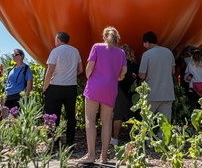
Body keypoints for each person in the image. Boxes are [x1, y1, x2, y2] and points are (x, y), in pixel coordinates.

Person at [79, 26, 127, 164]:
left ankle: (91, 155)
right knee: (107, 122)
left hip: (94, 87)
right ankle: (104, 157)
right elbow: (123, 71)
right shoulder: (121, 52)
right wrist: (117, 78)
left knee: (90, 119)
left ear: (104, 37)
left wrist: (90, 77)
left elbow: (89, 69)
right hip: (111, 88)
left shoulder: (96, 47)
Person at [43, 31, 83, 147]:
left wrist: (45, 87)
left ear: (59, 40)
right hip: (71, 87)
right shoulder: (75, 51)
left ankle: (54, 142)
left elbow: (50, 71)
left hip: (55, 86)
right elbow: (80, 69)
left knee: (53, 115)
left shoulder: (55, 52)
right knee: (70, 116)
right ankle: (70, 142)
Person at [138, 31, 175, 123]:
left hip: (152, 94)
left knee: (147, 122)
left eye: (144, 43)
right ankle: (163, 138)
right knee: (165, 124)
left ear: (147, 42)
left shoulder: (147, 55)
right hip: (167, 93)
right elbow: (173, 71)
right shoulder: (168, 52)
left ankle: (147, 137)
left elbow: (142, 75)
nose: (143, 45)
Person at [110, 44, 139, 146]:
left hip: (119, 91)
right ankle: (131, 138)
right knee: (131, 116)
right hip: (131, 92)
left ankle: (115, 138)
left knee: (118, 115)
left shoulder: (118, 65)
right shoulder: (135, 66)